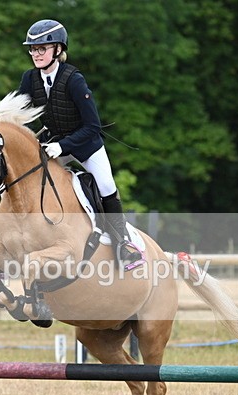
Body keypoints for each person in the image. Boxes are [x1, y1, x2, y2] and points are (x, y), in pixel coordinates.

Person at [17, 19, 144, 270]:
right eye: (32, 49)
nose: (36, 54)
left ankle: (123, 244)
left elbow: (92, 126)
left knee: (106, 186)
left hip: (85, 145)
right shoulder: (29, 79)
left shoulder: (74, 79)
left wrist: (63, 146)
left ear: (58, 49)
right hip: (52, 143)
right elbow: (18, 109)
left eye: (42, 48)